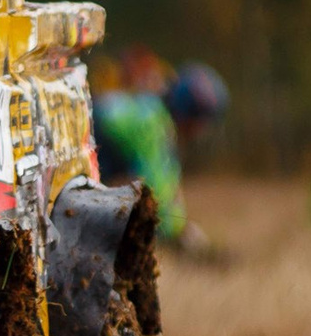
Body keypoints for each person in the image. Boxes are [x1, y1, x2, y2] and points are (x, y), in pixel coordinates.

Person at [92, 52, 229, 252]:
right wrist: (183, 235)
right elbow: (157, 193)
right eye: (202, 121)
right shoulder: (156, 126)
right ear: (189, 112)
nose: (202, 132)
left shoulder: (149, 108)